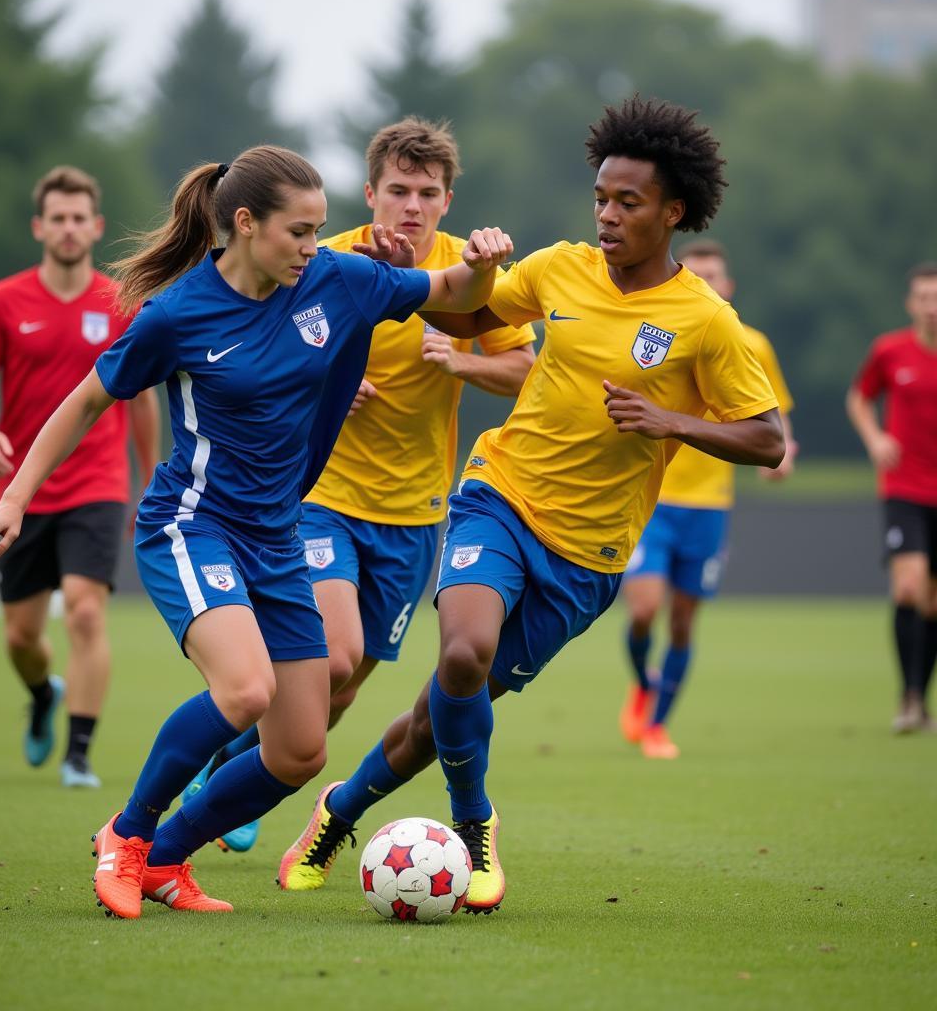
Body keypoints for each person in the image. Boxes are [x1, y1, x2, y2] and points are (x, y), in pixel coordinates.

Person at [0, 145, 514, 919]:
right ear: (246, 224)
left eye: (321, 230)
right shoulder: (179, 313)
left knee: (299, 749)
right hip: (193, 528)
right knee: (245, 689)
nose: (313, 247)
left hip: (277, 538)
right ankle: (126, 837)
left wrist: (485, 261)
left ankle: (166, 861)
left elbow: (457, 291)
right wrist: (14, 499)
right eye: (299, 231)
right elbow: (88, 400)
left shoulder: (339, 280)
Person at [275, 96, 785, 914]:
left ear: (674, 211)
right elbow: (468, 312)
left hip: (588, 556)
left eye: (629, 203)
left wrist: (672, 423)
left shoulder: (706, 323)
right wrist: (453, 266)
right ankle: (476, 828)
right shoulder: (558, 268)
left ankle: (341, 810)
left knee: (433, 713)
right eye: (601, 199)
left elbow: (768, 439)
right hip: (500, 497)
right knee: (463, 653)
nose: (608, 216)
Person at [182, 118, 536, 854]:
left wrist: (460, 362)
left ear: (446, 200)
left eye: (427, 193)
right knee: (332, 655)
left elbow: (526, 370)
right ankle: (215, 784)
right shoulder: (323, 259)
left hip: (415, 517)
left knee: (338, 691)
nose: (412, 205)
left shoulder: (466, 275)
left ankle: (236, 772)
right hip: (321, 502)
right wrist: (328, 385)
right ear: (370, 192)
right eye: (398, 190)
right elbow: (251, 353)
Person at [0, 166, 161, 788]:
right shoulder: (4, 300)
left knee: (84, 612)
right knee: (21, 635)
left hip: (98, 484)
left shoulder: (119, 302)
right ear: (39, 227)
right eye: (58, 218)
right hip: (19, 493)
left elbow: (143, 398)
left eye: (80, 218)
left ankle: (78, 754)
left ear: (96, 227)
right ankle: (44, 693)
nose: (69, 228)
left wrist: (149, 479)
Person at [619, 239, 797, 759]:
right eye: (696, 275)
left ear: (729, 286)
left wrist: (786, 455)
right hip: (655, 499)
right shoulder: (655, 334)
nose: (706, 283)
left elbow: (774, 419)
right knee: (645, 610)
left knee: (681, 621)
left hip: (710, 506)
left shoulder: (752, 345)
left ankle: (656, 725)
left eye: (714, 276)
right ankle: (643, 686)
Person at [847, 261, 937, 733]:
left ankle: (921, 700)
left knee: (933, 603)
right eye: (924, 298)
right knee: (908, 586)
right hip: (905, 487)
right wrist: (876, 439)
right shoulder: (890, 351)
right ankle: (907, 698)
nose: (932, 308)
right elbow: (859, 397)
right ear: (911, 304)